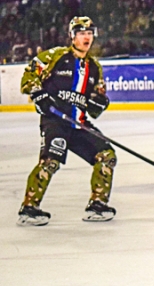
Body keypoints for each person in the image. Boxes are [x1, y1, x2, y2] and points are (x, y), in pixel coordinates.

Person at [17, 16, 115, 226]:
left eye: (89, 33)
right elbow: (29, 75)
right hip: (55, 121)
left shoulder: (95, 67)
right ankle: (29, 208)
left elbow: (93, 104)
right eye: (81, 33)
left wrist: (99, 103)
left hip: (78, 124)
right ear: (72, 36)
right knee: (50, 162)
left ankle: (97, 204)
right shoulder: (56, 56)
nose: (86, 37)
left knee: (106, 155)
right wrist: (38, 94)